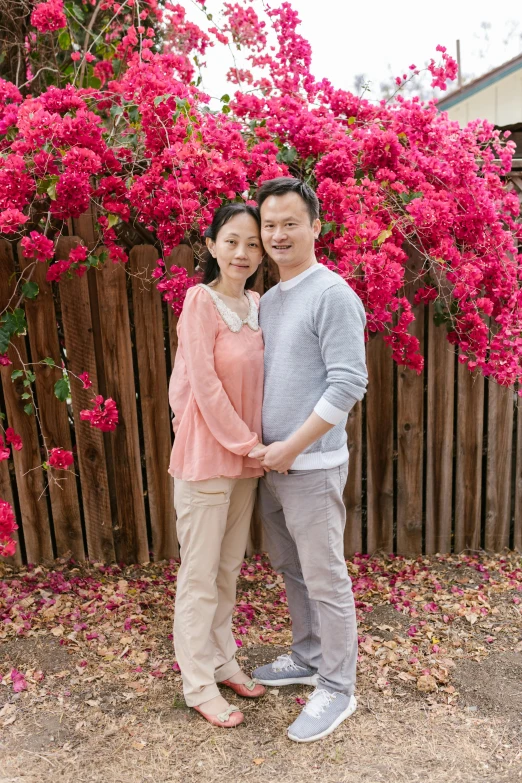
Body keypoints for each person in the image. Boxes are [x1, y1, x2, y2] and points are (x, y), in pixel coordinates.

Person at [251, 177, 368, 743]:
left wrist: (292, 448)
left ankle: (338, 688)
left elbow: (349, 383)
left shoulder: (332, 294)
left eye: (289, 223)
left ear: (316, 226)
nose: (278, 234)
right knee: (292, 570)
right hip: (270, 468)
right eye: (269, 224)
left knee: (326, 579)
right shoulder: (270, 300)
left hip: (312, 467)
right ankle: (307, 657)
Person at [168, 203, 267, 728]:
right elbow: (199, 385)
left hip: (245, 461)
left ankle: (223, 660)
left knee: (228, 570)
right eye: (232, 241)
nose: (242, 252)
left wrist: (253, 448)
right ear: (211, 245)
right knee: (200, 576)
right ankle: (198, 684)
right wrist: (245, 442)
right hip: (209, 458)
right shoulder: (199, 301)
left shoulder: (256, 303)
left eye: (252, 243)